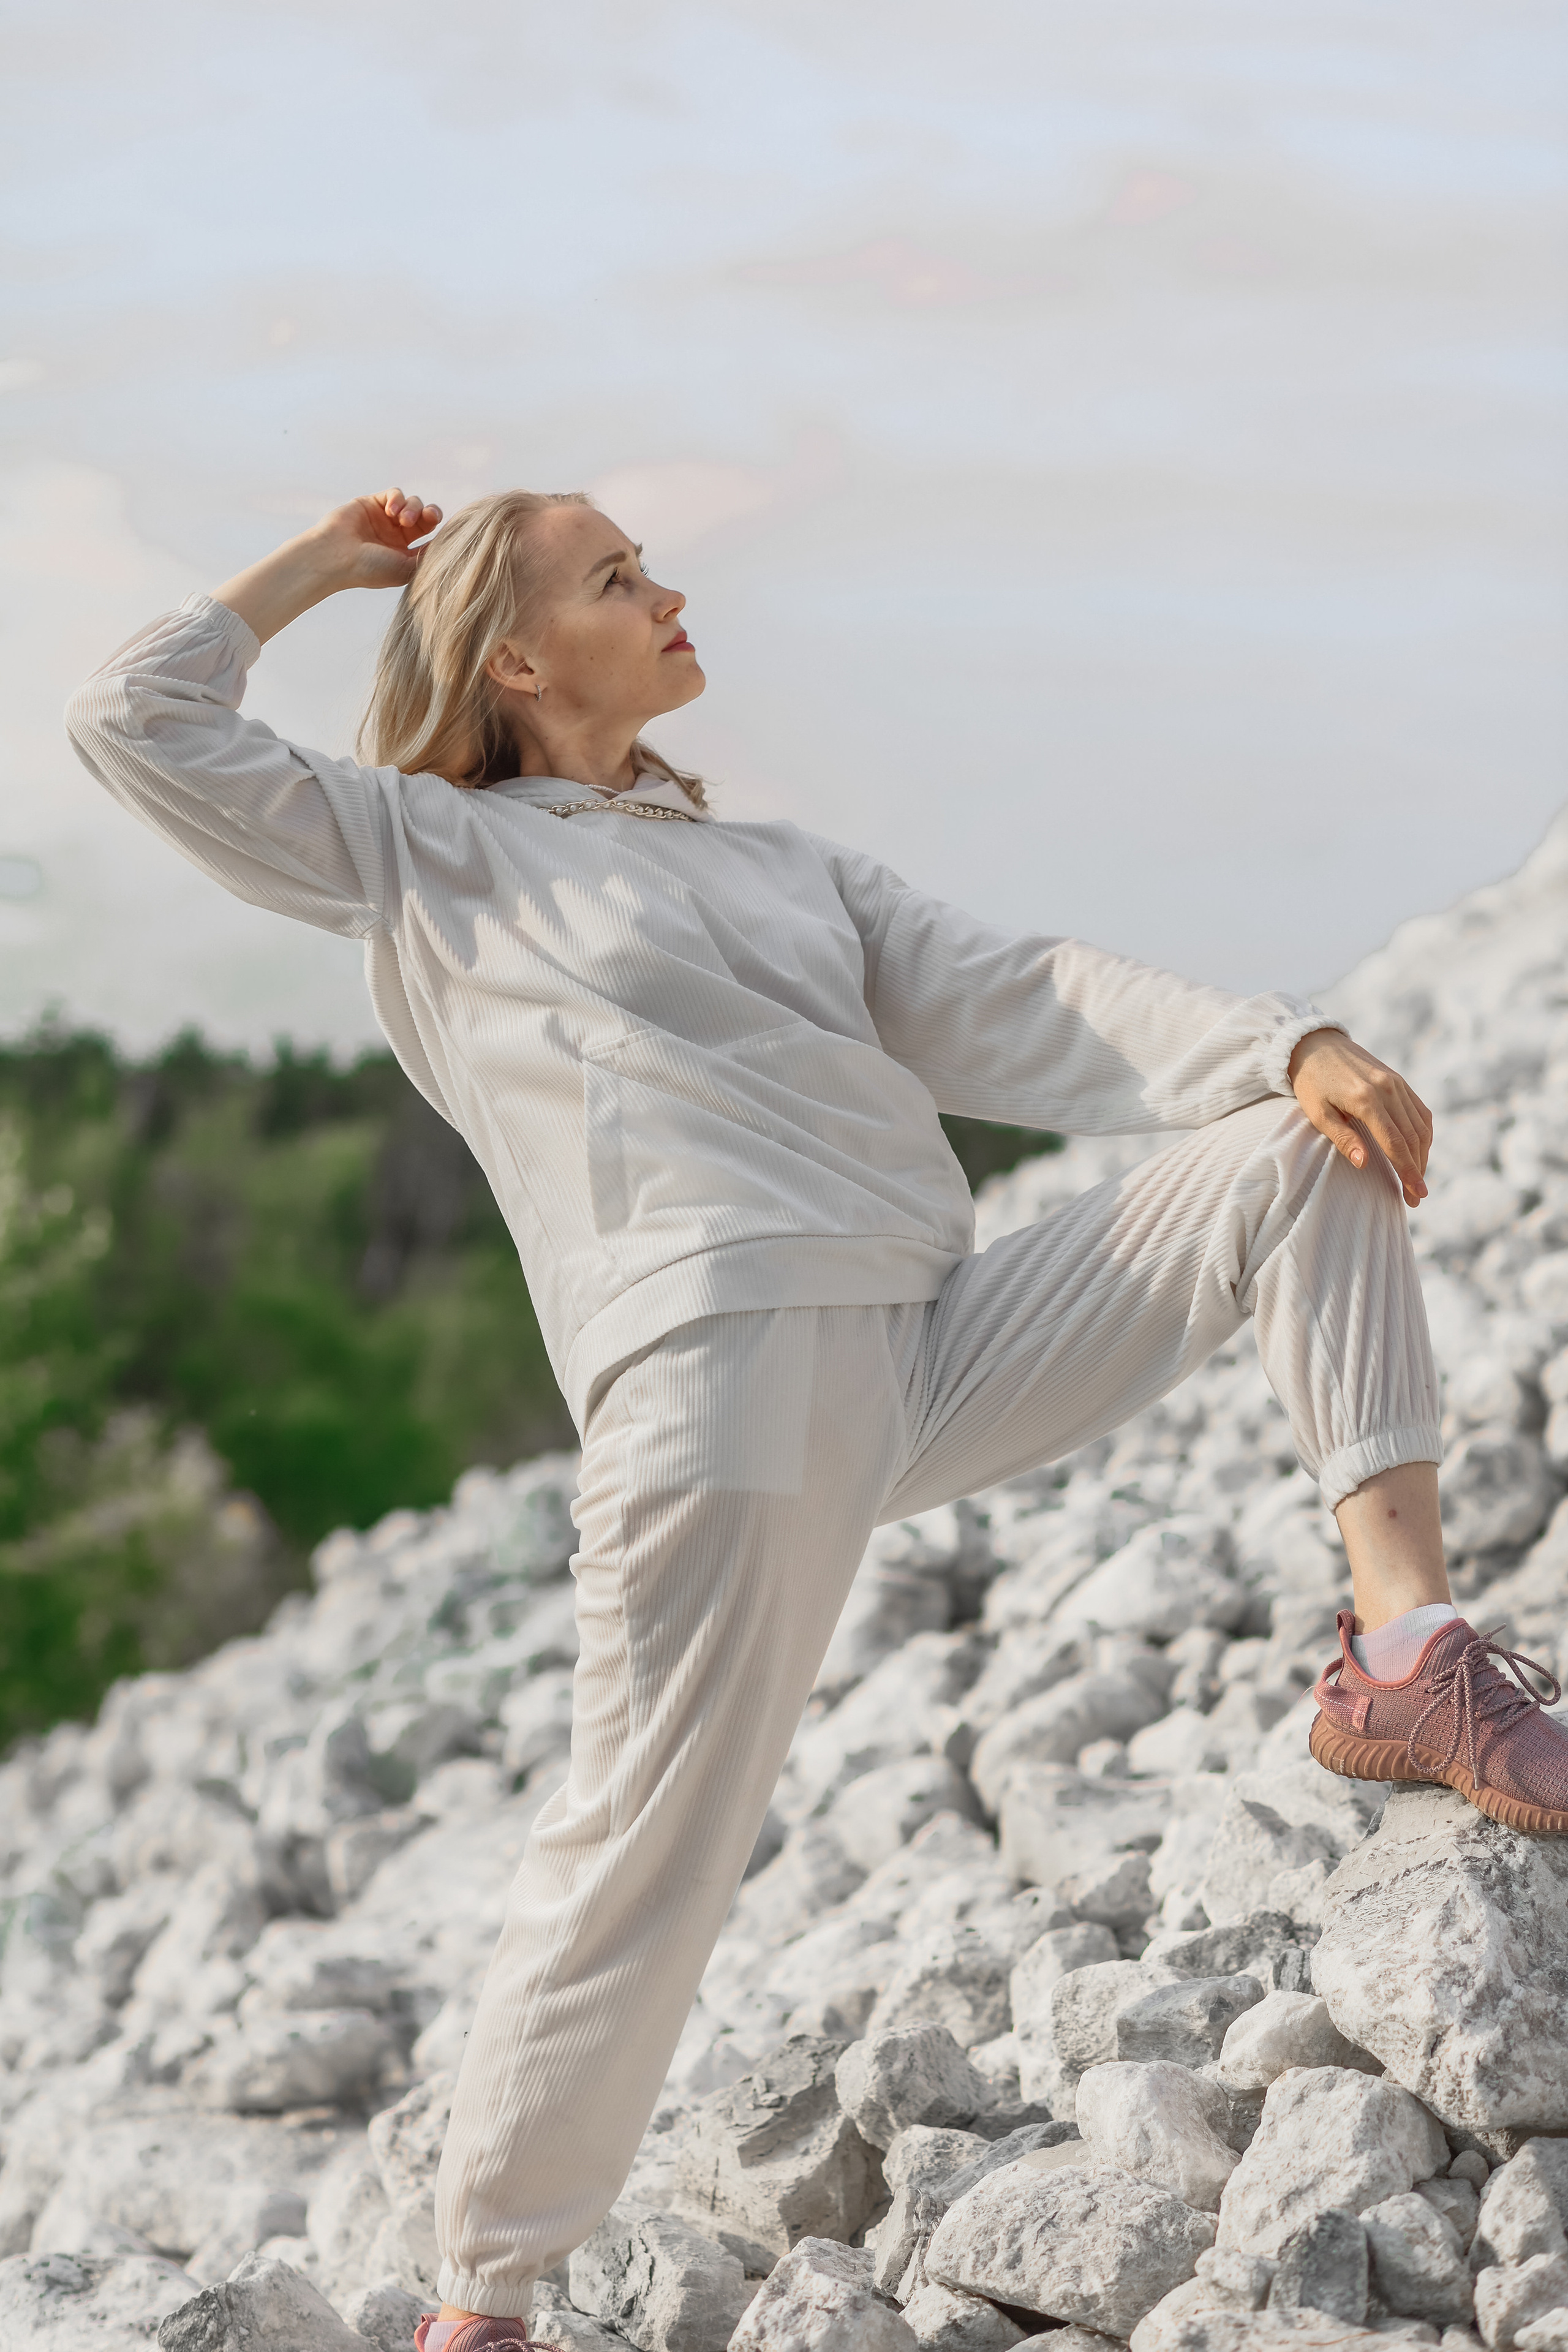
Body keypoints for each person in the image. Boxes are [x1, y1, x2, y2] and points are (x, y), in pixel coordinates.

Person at [67, 484, 1568, 2351]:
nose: (674, 591)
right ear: (516, 661)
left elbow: (1027, 995)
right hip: (722, 1372)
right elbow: (133, 724)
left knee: (1294, 1152)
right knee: (647, 1843)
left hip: (932, 1335)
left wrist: (1285, 1044)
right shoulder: (418, 853)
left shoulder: (786, 871)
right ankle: (491, 2303)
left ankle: (1407, 1649)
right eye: (620, 579)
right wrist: (318, 568)